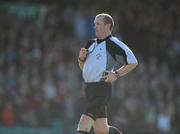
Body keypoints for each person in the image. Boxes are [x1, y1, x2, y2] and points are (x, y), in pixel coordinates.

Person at [77, 13, 138, 134]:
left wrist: (115, 74)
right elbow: (84, 68)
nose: (94, 26)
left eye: (98, 24)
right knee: (101, 130)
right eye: (94, 24)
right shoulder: (90, 43)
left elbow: (133, 62)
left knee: (84, 123)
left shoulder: (113, 44)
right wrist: (81, 59)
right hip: (89, 89)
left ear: (107, 26)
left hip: (101, 88)